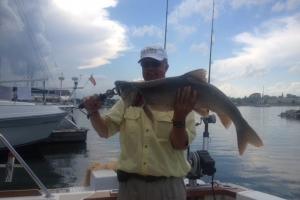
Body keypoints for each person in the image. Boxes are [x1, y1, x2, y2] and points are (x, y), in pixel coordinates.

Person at [83, 45, 198, 200]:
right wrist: (93, 112)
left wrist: (179, 115)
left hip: (167, 189)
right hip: (130, 189)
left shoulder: (182, 100)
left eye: (155, 64)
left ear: (166, 66)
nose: (150, 69)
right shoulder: (129, 97)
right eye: (145, 65)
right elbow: (104, 131)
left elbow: (179, 145)